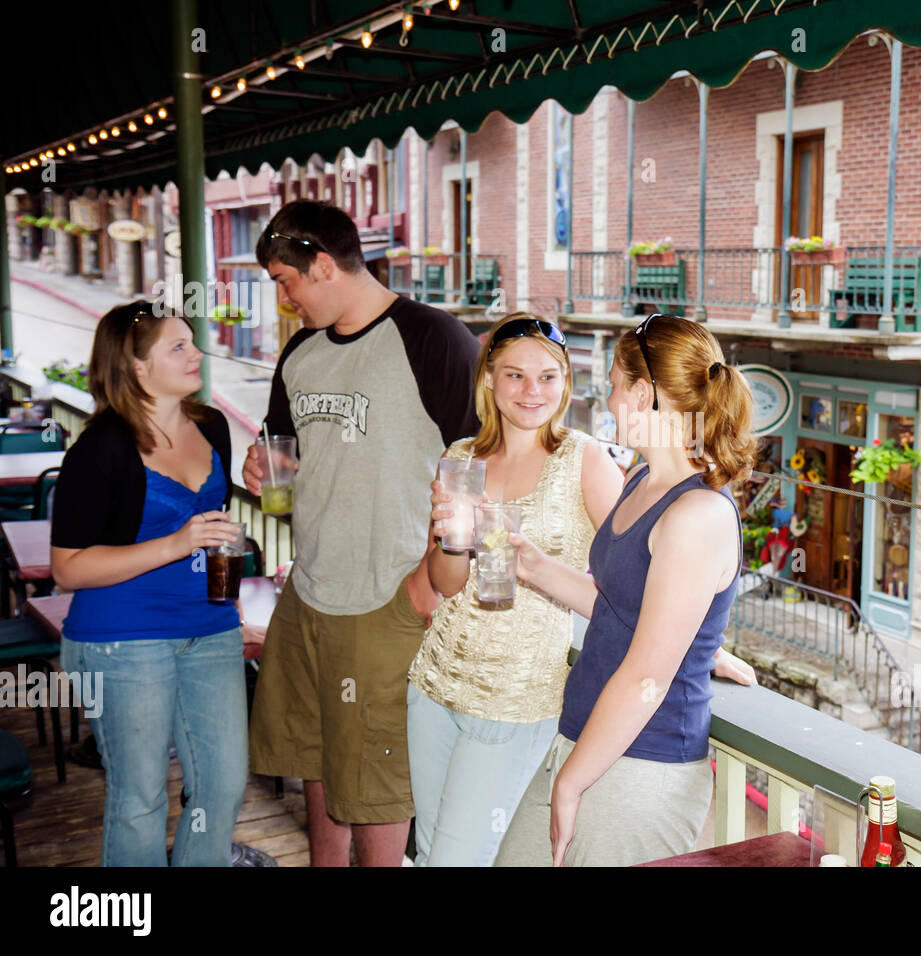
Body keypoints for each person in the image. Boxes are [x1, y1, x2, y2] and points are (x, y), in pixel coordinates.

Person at [243, 200, 480, 867]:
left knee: (378, 778)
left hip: (388, 596)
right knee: (318, 754)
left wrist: (434, 574)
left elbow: (477, 470)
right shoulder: (299, 353)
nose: (284, 299)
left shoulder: (434, 338)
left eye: (286, 281)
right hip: (311, 587)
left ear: (322, 264)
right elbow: (284, 472)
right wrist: (262, 466)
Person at [495, 313, 758, 866]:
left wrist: (569, 783)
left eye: (613, 386)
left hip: (643, 765)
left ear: (642, 393)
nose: (608, 400)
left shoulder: (697, 514)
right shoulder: (640, 479)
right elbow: (623, 610)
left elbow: (645, 678)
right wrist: (536, 566)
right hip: (587, 739)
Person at [406, 313, 623, 866]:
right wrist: (450, 537)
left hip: (515, 700)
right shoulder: (460, 457)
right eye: (515, 375)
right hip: (432, 685)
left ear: (566, 382)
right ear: (489, 380)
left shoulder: (586, 460)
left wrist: (706, 646)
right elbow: (445, 584)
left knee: (457, 861)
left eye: (548, 376)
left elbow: (636, 583)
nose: (533, 391)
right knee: (432, 851)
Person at [51, 301, 251, 866]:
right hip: (123, 640)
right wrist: (175, 544)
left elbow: (209, 524)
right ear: (137, 367)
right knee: (139, 799)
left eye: (193, 342)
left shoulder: (210, 426)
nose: (197, 354)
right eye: (179, 347)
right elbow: (68, 567)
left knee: (221, 786)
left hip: (211, 628)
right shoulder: (99, 448)